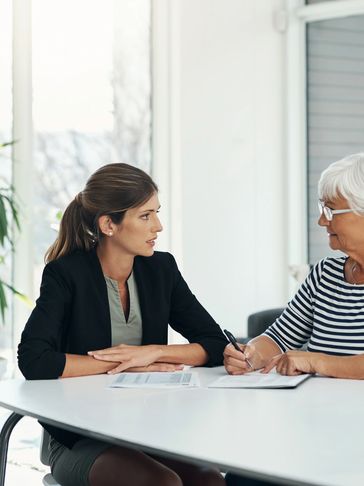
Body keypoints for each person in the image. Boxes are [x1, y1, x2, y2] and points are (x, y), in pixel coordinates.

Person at [18, 163, 227, 486]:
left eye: (157, 212)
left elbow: (214, 343)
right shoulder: (66, 274)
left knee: (210, 480)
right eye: (145, 216)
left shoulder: (161, 269)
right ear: (108, 225)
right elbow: (34, 360)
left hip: (147, 432)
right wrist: (122, 362)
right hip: (80, 437)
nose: (158, 226)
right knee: (161, 483)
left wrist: (152, 353)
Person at [224, 152, 364, 485]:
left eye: (331, 210)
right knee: (242, 477)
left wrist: (315, 361)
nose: (321, 221)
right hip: (309, 427)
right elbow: (279, 337)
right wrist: (250, 353)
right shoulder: (324, 274)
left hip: (353, 439)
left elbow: (311, 359)